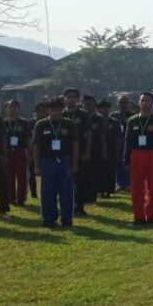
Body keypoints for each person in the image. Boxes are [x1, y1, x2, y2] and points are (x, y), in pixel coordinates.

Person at [32, 97, 79, 228]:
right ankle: (48, 217)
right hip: (47, 161)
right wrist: (36, 166)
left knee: (67, 191)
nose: (55, 112)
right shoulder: (41, 124)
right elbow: (36, 146)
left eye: (57, 109)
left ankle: (67, 218)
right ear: (47, 110)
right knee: (47, 191)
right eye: (51, 109)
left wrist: (74, 164)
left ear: (61, 109)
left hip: (65, 160)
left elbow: (75, 145)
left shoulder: (69, 124)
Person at [126, 92, 153, 225]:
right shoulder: (132, 120)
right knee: (136, 187)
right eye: (142, 100)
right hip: (136, 154)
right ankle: (138, 217)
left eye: (148, 100)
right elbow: (128, 141)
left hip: (152, 155)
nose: (145, 103)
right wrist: (125, 159)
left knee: (152, 187)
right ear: (139, 103)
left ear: (152, 103)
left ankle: (150, 216)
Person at [62, 88, 93, 216]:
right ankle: (65, 206)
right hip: (63, 151)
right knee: (64, 180)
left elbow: (89, 134)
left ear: (78, 99)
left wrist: (87, 151)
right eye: (68, 97)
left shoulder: (84, 114)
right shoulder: (61, 113)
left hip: (80, 150)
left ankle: (79, 206)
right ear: (64, 98)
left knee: (80, 180)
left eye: (73, 97)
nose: (71, 99)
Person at [3, 100, 33, 206]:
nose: (12, 109)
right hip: (8, 151)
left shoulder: (24, 122)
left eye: (15, 107)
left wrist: (30, 153)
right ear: (6, 109)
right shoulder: (3, 123)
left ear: (18, 109)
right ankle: (10, 198)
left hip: (21, 151)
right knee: (9, 176)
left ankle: (20, 199)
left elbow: (29, 139)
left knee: (22, 176)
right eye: (10, 107)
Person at [82, 94, 106, 205]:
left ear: (94, 105)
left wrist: (103, 152)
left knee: (94, 174)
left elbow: (102, 137)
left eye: (90, 105)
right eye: (86, 104)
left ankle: (93, 196)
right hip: (82, 149)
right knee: (83, 174)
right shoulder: (80, 117)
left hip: (96, 150)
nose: (88, 107)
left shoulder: (99, 118)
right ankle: (83, 195)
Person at [97, 100, 122, 198]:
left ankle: (109, 190)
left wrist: (118, 150)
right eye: (102, 108)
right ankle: (100, 190)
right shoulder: (96, 120)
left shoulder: (114, 122)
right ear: (98, 109)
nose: (104, 110)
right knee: (99, 171)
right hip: (98, 150)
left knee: (110, 171)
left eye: (106, 108)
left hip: (111, 150)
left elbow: (118, 137)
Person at [110, 95, 135, 191]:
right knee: (117, 162)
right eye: (120, 102)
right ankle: (119, 183)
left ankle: (129, 183)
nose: (122, 104)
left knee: (128, 162)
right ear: (117, 103)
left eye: (124, 102)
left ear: (128, 104)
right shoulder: (113, 115)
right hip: (116, 142)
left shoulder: (132, 116)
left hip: (128, 142)